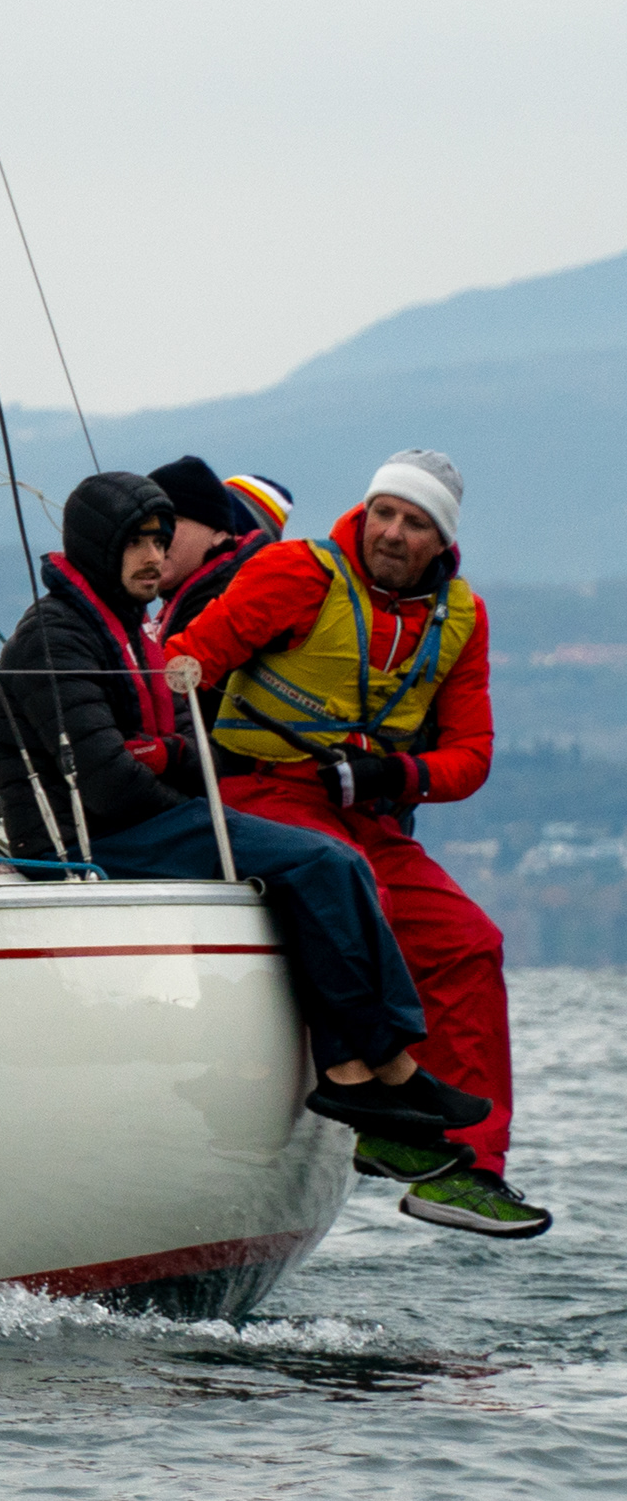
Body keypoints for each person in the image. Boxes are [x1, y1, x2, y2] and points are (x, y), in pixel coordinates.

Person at [0, 469, 491, 1153]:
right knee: (326, 862)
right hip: (86, 837)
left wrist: (168, 761)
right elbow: (111, 782)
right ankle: (377, 1067)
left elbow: (189, 750)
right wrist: (183, 786)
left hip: (131, 820)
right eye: (137, 542)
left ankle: (369, 1067)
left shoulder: (127, 633)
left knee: (338, 866)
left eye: (161, 541)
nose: (155, 558)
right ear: (100, 545)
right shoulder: (57, 637)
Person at [165, 448, 549, 1240]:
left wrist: (391, 774)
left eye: (413, 523)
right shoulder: (298, 573)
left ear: (439, 542)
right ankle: (377, 1108)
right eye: (384, 512)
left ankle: (469, 1169)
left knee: (473, 942)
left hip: (364, 811)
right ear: (365, 511)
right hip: (260, 790)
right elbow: (186, 662)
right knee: (349, 887)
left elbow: (471, 759)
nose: (392, 532)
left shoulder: (462, 621)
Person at [147, 456, 295, 649]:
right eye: (144, 527)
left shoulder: (223, 608)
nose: (156, 537)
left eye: (172, 520)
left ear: (221, 533)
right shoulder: (190, 597)